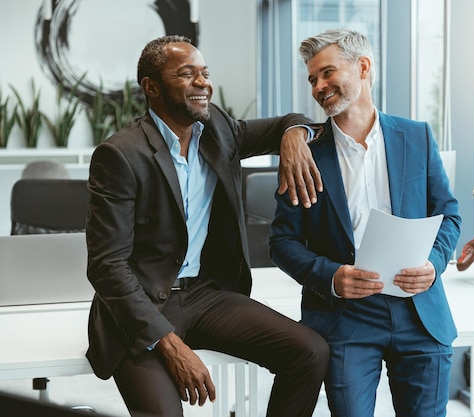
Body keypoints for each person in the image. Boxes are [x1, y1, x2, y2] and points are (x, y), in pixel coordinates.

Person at [85, 35, 329, 417]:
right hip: (142, 305)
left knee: (311, 352)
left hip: (206, 295)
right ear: (151, 87)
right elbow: (107, 267)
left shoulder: (219, 129)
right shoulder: (120, 155)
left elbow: (290, 121)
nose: (203, 83)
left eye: (205, 73)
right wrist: (167, 341)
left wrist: (294, 138)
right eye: (187, 74)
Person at [269, 29, 461, 417]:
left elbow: (450, 215)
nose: (319, 86)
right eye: (311, 79)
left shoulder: (417, 135)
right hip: (347, 320)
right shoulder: (304, 154)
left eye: (326, 73)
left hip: (420, 312)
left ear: (363, 67)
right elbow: (282, 241)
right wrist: (331, 276)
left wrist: (434, 265)